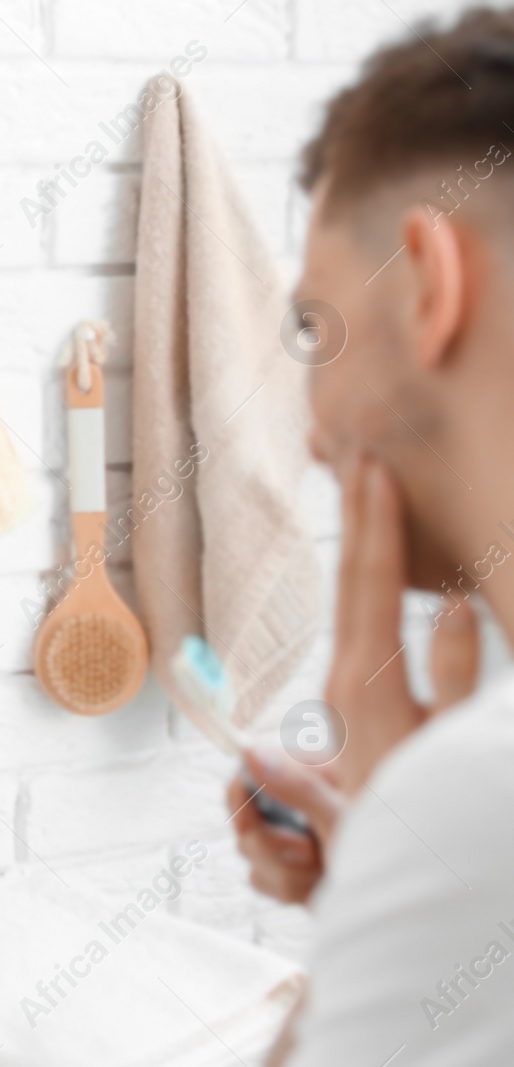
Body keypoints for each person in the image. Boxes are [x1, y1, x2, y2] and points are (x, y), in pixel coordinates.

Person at [229, 8, 514, 1063]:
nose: (311, 433)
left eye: (315, 327)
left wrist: (407, 848)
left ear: (429, 283)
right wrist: (385, 873)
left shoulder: (479, 800)